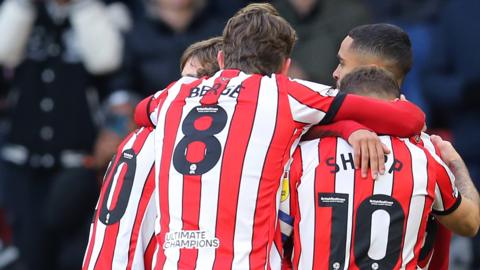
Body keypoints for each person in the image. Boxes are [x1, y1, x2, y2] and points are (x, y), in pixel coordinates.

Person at [138, 3, 429, 269]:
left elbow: (141, 113)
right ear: (286, 67)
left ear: (222, 58)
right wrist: (348, 126)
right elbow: (410, 119)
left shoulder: (173, 94)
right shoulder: (285, 93)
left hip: (173, 262)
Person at [281, 67, 479, 269]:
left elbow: (278, 241)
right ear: (398, 104)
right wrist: (456, 163)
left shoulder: (302, 156)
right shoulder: (425, 159)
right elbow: (470, 224)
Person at [0, 0, 124, 269]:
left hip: (78, 162)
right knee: (29, 255)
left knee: (74, 256)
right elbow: (4, 53)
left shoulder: (107, 9)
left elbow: (106, 60)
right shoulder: (18, 9)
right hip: (22, 161)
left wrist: (81, 6)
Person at [83, 36, 223, 270]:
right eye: (185, 80)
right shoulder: (148, 143)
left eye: (199, 81)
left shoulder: (265, 142)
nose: (183, 89)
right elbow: (117, 240)